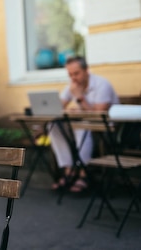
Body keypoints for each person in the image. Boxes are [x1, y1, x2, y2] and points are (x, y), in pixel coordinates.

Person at [49, 55, 119, 193]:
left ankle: (83, 174)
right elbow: (57, 108)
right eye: (70, 75)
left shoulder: (101, 84)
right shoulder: (73, 86)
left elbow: (99, 115)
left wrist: (80, 99)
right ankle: (68, 170)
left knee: (81, 126)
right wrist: (67, 110)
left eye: (76, 73)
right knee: (53, 126)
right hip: (84, 125)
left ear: (86, 70)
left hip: (107, 128)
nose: (73, 78)